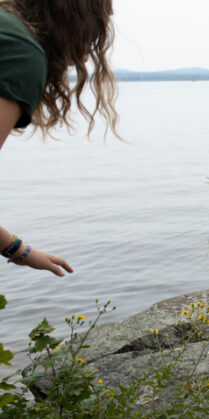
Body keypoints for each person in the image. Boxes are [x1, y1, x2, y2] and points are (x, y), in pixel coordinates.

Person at [0, 0, 119, 276]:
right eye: (92, 35)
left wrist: (18, 251)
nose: (87, 55)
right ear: (74, 21)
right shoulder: (18, 51)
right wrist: (18, 250)